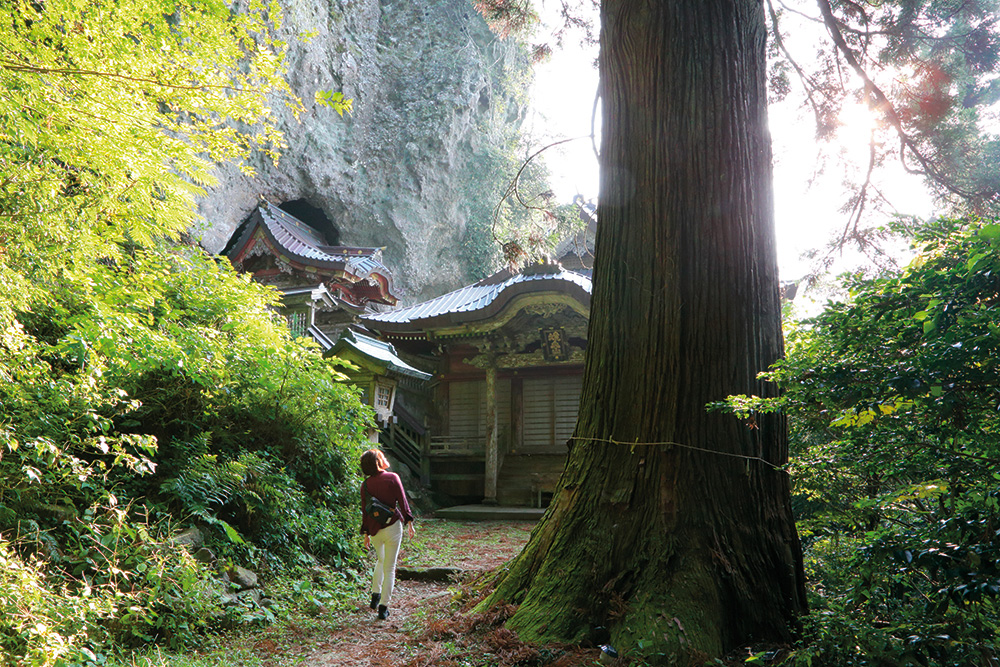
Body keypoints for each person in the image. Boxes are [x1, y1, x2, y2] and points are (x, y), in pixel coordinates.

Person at [359, 448, 415, 620]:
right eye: (381, 456)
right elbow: (403, 502)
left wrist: (366, 532)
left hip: (375, 529)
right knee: (389, 567)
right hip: (392, 526)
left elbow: (365, 511)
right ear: (378, 462)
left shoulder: (365, 485)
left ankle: (375, 595)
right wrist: (410, 522)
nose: (385, 458)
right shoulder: (392, 478)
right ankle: (383, 607)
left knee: (380, 560)